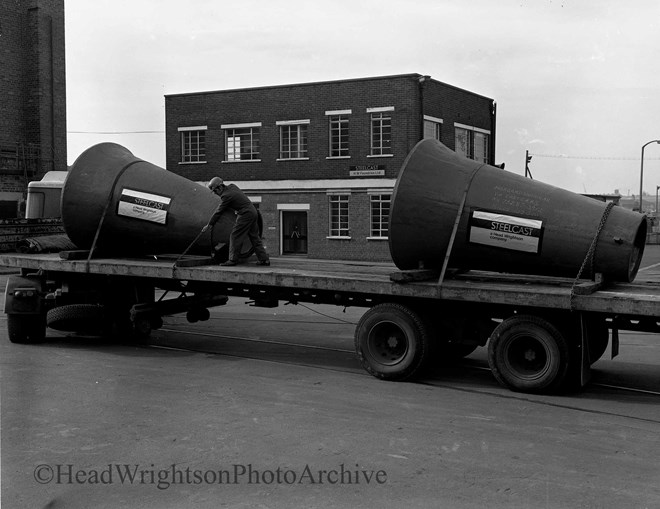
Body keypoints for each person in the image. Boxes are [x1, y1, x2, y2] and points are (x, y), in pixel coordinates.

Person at [202, 177, 270, 266]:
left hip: (245, 214)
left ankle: (232, 260)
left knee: (235, 236)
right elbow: (237, 199)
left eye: (215, 191)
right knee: (254, 237)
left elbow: (219, 211)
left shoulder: (226, 196)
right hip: (253, 211)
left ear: (220, 187)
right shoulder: (232, 186)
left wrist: (210, 224)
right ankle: (264, 259)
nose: (215, 193)